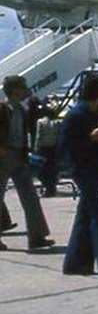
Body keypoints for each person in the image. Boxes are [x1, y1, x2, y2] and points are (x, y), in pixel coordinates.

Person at [61, 73, 98, 278]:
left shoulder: (95, 113)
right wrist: (91, 139)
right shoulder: (77, 115)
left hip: (95, 169)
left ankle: (75, 263)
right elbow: (68, 147)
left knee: (84, 216)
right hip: (83, 170)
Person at [0, 75, 54, 251]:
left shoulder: (21, 110)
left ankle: (37, 236)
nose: (25, 91)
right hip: (3, 157)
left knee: (30, 197)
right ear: (15, 90)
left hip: (19, 156)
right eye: (22, 87)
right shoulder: (2, 109)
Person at [34, 104, 62, 197]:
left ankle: (47, 187)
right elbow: (59, 135)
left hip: (43, 147)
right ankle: (52, 187)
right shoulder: (57, 122)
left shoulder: (40, 122)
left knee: (43, 169)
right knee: (52, 168)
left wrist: (36, 147)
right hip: (53, 147)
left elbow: (38, 135)